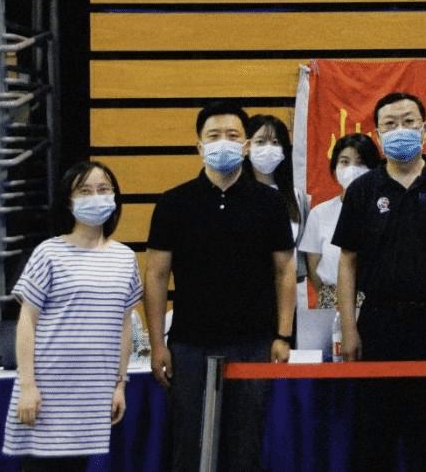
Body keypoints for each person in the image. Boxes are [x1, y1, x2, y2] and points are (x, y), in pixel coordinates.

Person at [143, 101, 296, 472]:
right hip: (190, 344)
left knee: (245, 445)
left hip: (253, 342)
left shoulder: (270, 203)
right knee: (190, 446)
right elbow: (156, 275)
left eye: (232, 135)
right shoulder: (174, 202)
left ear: (245, 145)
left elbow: (284, 271)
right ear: (199, 146)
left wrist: (282, 335)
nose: (223, 142)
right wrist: (158, 343)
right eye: (213, 136)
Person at [333, 92, 426, 470]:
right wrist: (349, 327)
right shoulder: (363, 190)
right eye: (390, 124)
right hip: (378, 324)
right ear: (378, 134)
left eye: (409, 122)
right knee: (374, 439)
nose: (401, 129)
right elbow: (348, 262)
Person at [2, 162, 141, 472]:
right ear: (69, 201)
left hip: (92, 397)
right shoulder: (48, 253)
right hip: (46, 394)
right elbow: (27, 321)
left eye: (103, 189)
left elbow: (123, 327)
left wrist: (119, 385)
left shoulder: (125, 258)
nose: (96, 197)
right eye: (85, 191)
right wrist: (28, 385)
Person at [299, 133, 381, 309]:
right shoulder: (319, 213)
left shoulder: (384, 209)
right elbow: (313, 266)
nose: (352, 169)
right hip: (332, 299)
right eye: (344, 162)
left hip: (377, 300)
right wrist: (333, 295)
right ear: (335, 167)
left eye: (360, 163)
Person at [246, 114, 311, 308]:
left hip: (288, 294)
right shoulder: (236, 194)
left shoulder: (297, 197)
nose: (268, 148)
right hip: (246, 291)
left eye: (275, 142)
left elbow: (304, 258)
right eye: (260, 142)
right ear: (247, 146)